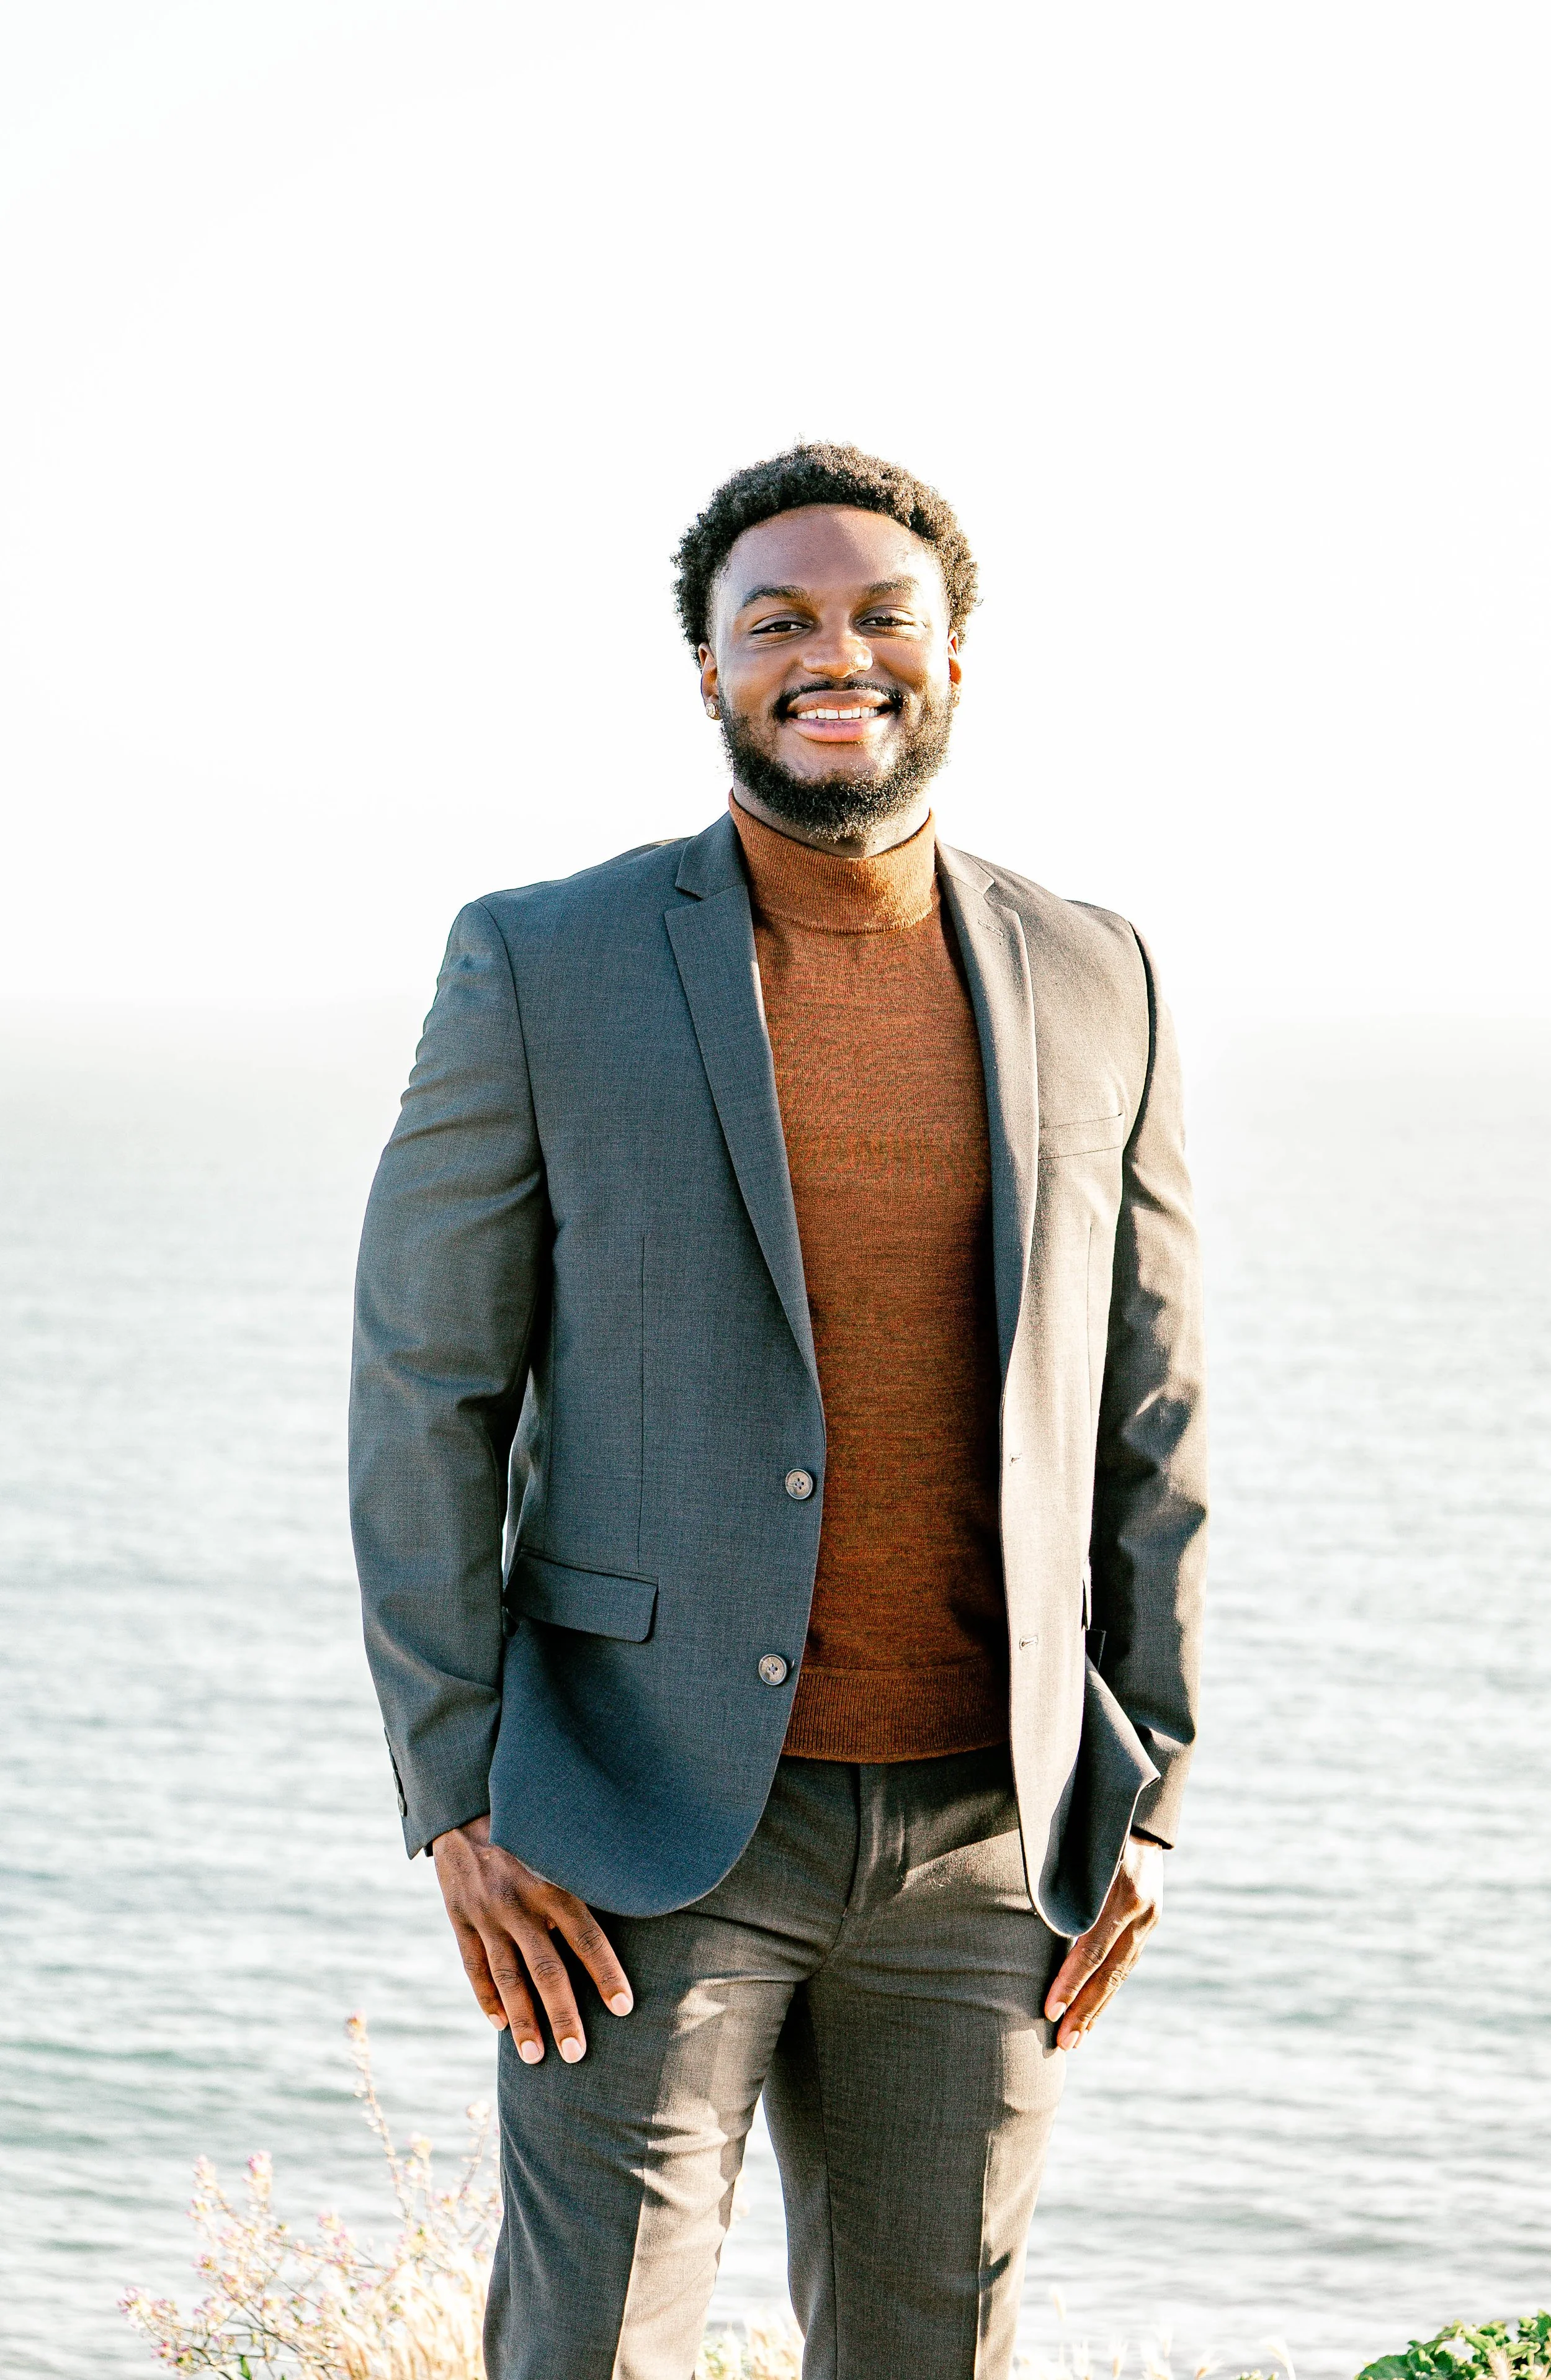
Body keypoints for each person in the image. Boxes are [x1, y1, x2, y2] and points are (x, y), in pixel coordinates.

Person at [349, 442, 1207, 2380]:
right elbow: (424, 1389)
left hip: (993, 1839)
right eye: (780, 624)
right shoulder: (542, 960)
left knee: (931, 2354)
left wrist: (1145, 1788)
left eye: (881, 617)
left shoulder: (1097, 974)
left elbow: (1152, 1403)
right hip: (630, 1828)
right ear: (714, 676)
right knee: (588, 2352)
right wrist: (458, 1797)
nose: (837, 656)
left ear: (954, 659)